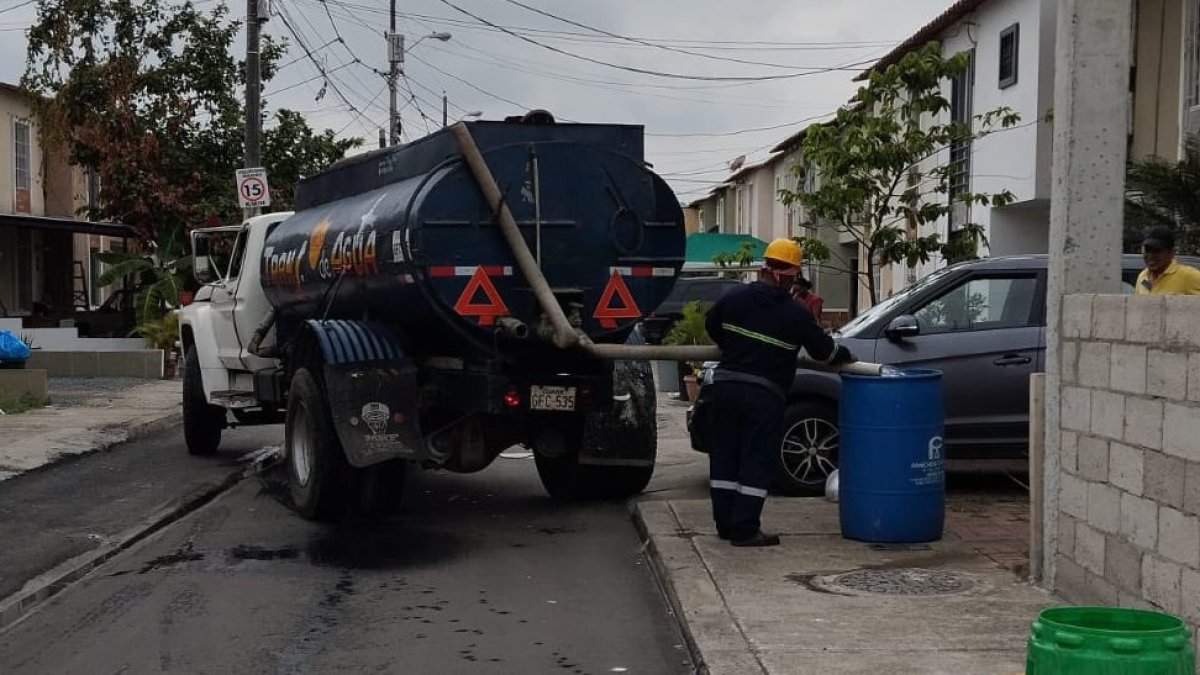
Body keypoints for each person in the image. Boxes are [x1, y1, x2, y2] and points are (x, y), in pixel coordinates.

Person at [703, 239, 853, 547]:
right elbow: (824, 351)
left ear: (764, 268)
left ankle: (725, 524)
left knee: (725, 458)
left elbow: (712, 325)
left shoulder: (734, 299)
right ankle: (744, 529)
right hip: (763, 394)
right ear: (789, 276)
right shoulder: (795, 313)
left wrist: (735, 346)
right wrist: (845, 354)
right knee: (756, 461)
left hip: (726, 387)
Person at [1136, 226, 1200, 295]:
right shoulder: (1142, 276)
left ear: (1171, 252)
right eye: (1148, 250)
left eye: (1157, 251)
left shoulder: (1188, 276)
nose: (1151, 256)